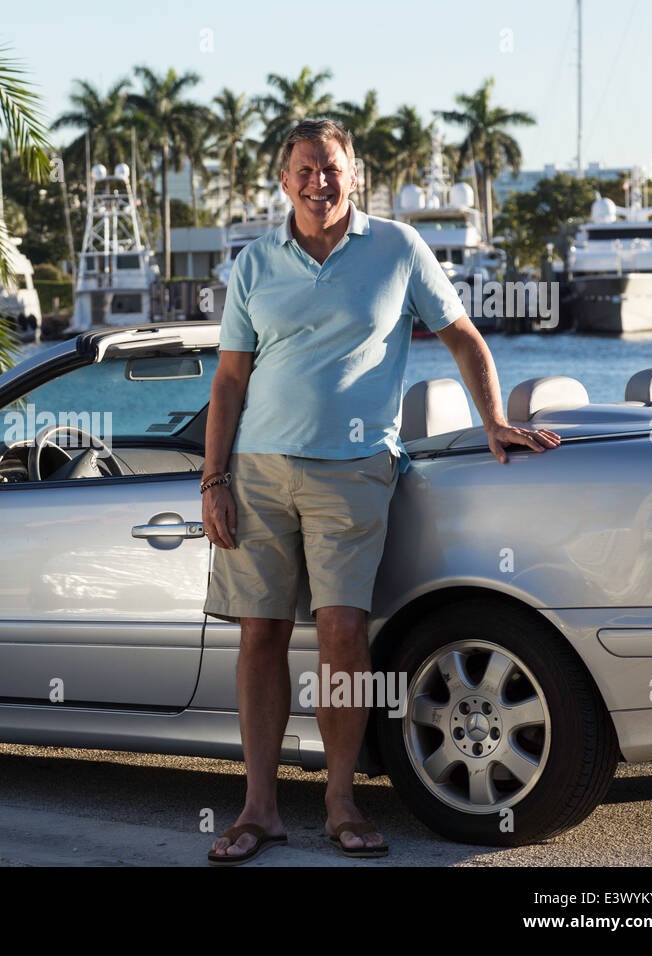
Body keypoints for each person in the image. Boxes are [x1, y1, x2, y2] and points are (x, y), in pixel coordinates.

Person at [202, 119, 561, 865]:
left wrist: (494, 419)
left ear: (353, 175)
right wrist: (214, 479)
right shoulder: (255, 263)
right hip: (260, 471)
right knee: (259, 634)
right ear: (283, 180)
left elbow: (461, 333)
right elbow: (230, 380)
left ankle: (340, 801)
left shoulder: (398, 248)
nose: (317, 182)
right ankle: (259, 809)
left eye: (330, 168)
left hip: (355, 468)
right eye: (304, 169)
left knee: (342, 633)